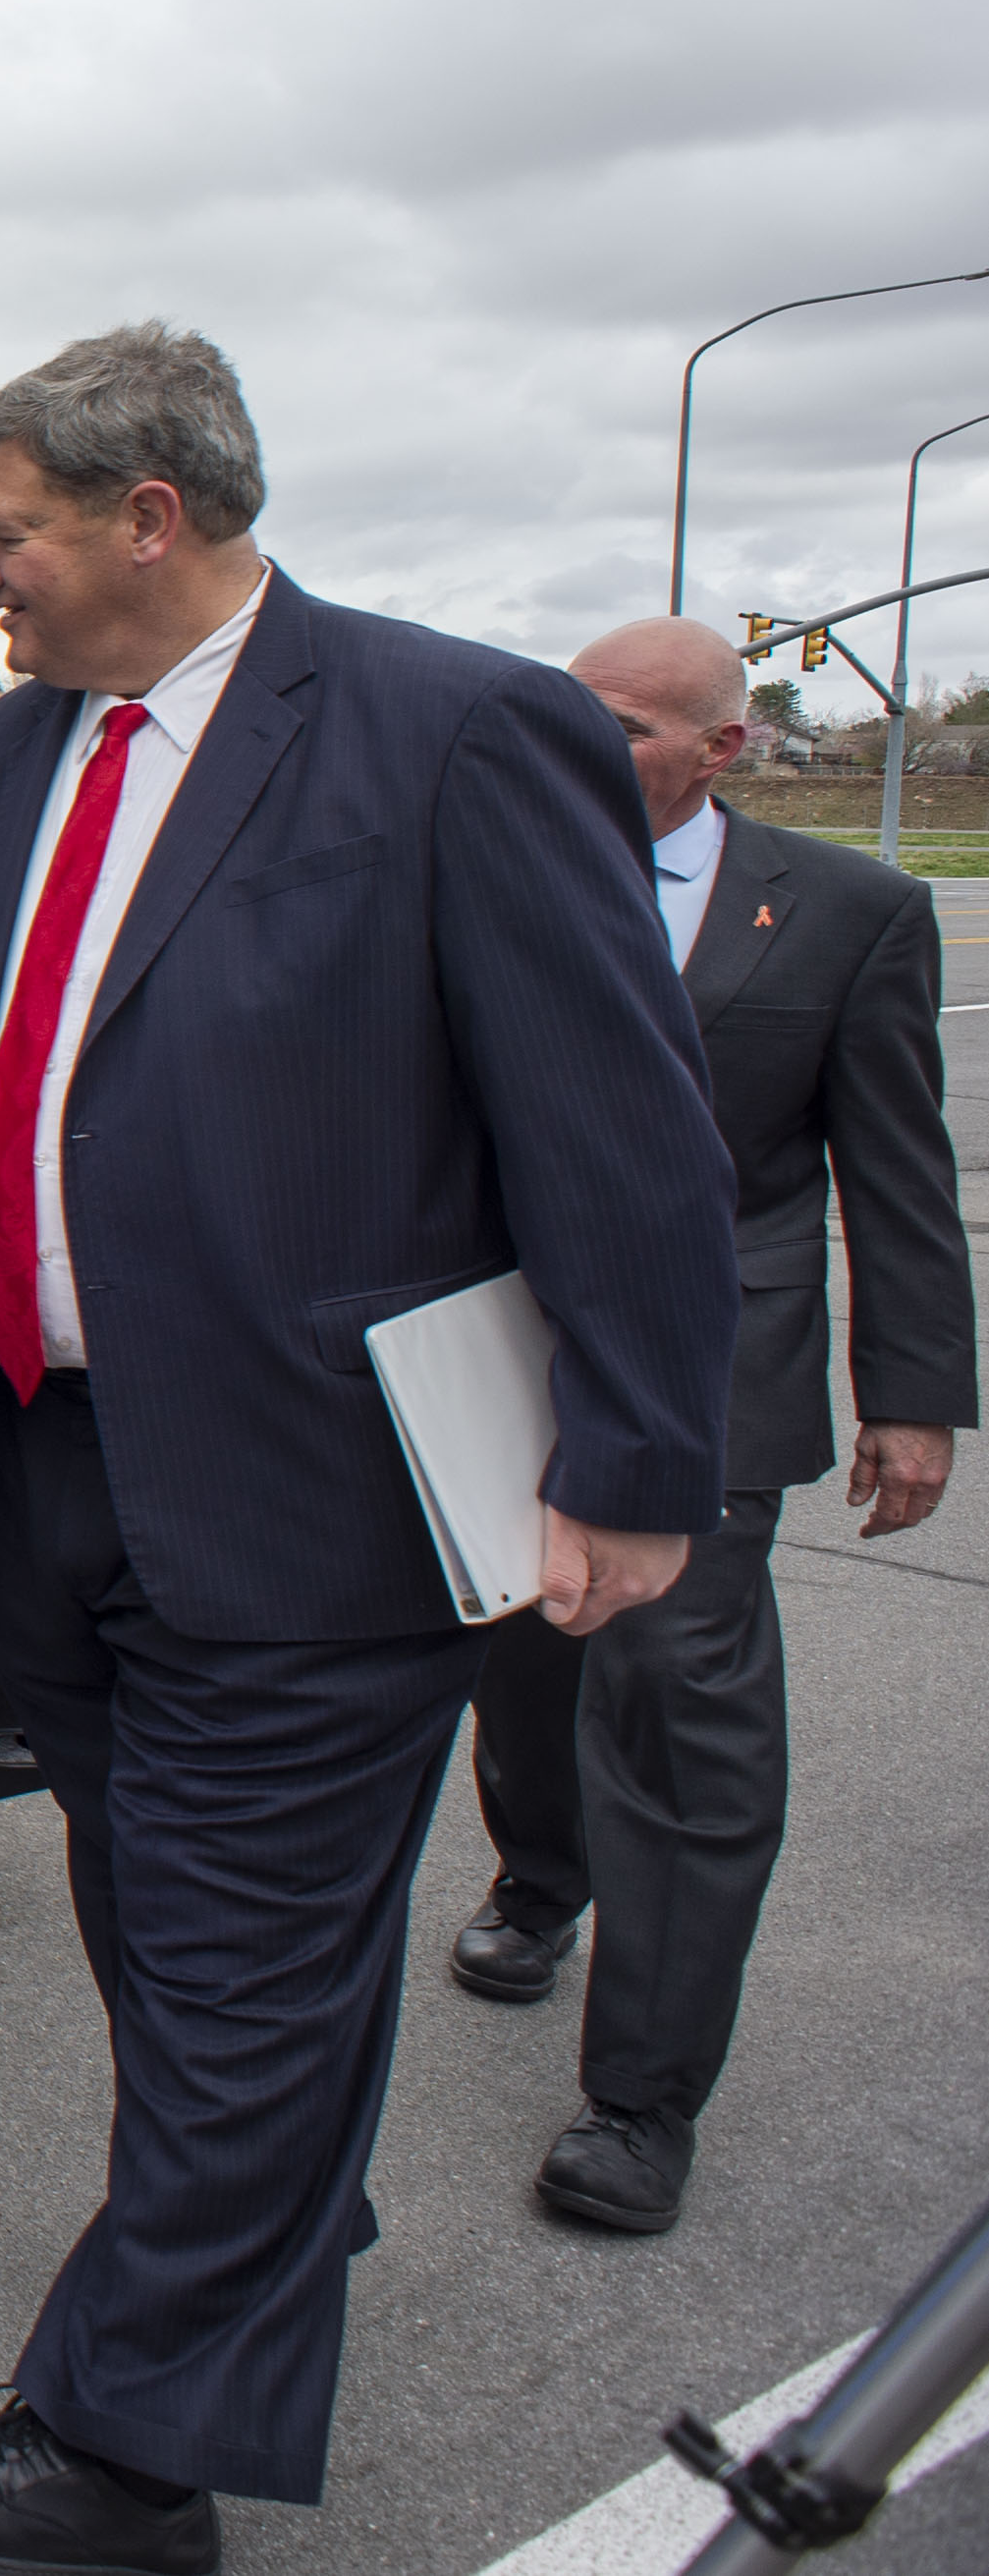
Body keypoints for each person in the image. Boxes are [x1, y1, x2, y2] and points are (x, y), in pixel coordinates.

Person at [0, 322, 734, 2572]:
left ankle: (118, 2458)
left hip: (309, 1481)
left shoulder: (455, 733)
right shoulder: (4, 767)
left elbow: (619, 1130)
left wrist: (639, 1465)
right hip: (46, 1461)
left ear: (144, 516)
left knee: (239, 1949)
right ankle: (263, 2208)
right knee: (168, 1917)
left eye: (2, 529)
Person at [454, 616, 970, 2231]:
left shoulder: (849, 916)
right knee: (527, 1658)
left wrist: (912, 1401)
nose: (576, 750)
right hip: (504, 1350)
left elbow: (894, 1171)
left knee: (678, 1711)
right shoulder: (485, 877)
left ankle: (641, 2099)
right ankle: (539, 1882)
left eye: (612, 728)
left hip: (713, 1363)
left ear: (719, 749)